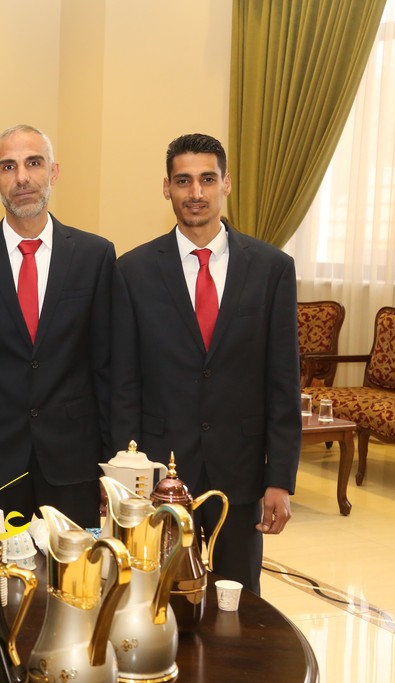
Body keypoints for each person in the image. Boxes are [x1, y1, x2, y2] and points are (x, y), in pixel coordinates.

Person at [110, 133, 300, 594]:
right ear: (167, 188)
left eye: (207, 179)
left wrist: (280, 479)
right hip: (160, 472)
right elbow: (123, 383)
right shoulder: (133, 271)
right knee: (158, 599)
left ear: (226, 183)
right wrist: (124, 474)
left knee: (239, 602)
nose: (196, 192)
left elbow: (282, 381)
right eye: (183, 181)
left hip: (241, 471)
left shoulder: (272, 268)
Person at [0, 124, 114, 528]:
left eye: (34, 163)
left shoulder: (95, 257)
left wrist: (112, 464)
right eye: (8, 166)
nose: (22, 178)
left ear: (54, 172)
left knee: (74, 569)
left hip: (75, 463)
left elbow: (108, 370)